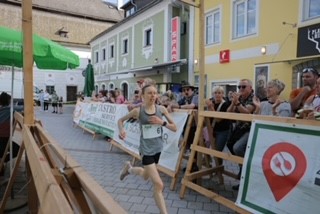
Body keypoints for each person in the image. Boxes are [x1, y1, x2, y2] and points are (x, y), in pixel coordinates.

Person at [118, 84, 177, 214]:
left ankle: (129, 169)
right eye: (149, 93)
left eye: (155, 93)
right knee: (159, 185)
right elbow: (120, 121)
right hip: (146, 151)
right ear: (143, 96)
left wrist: (162, 122)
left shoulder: (161, 109)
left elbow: (175, 127)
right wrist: (121, 130)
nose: (153, 96)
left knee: (145, 175)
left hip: (158, 149)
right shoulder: (138, 111)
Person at [227, 79, 255, 190]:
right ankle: (242, 169)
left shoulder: (253, 98)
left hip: (250, 129)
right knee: (230, 145)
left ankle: (247, 171)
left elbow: (247, 112)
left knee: (237, 148)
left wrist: (237, 103)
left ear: (250, 88)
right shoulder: (240, 98)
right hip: (239, 129)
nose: (241, 89)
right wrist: (234, 103)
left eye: (244, 86)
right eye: (239, 87)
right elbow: (229, 113)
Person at [205, 86, 231, 164]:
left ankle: (218, 169)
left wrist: (211, 108)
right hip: (212, 129)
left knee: (218, 151)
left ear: (223, 94)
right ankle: (210, 164)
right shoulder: (211, 102)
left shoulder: (225, 104)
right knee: (206, 147)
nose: (217, 95)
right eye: (215, 93)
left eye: (219, 93)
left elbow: (218, 120)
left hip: (223, 130)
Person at [0, 92, 20, 174]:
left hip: (4, 138)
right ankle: (2, 162)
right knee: (16, 150)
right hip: (4, 138)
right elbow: (23, 108)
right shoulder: (10, 110)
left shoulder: (4, 109)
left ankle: (2, 163)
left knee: (2, 152)